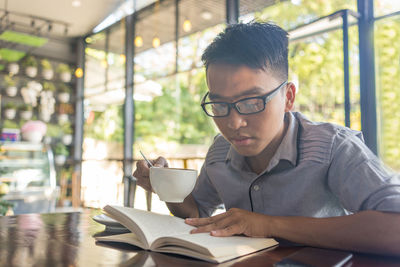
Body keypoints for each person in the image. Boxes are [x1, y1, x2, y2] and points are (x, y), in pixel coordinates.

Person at [133, 22, 400, 256]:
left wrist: (266, 224)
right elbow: (197, 214)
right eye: (219, 105)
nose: (234, 123)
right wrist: (166, 187)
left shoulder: (334, 146)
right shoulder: (220, 150)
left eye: (251, 102)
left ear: (288, 97)